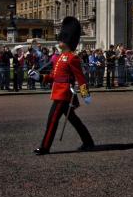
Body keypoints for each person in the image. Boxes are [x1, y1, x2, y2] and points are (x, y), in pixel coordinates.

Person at [29, 17, 94, 155]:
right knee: (74, 120)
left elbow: (80, 77)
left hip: (64, 94)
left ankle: (45, 147)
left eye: (62, 38)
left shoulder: (72, 58)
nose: (59, 40)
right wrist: (38, 77)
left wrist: (85, 94)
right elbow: (53, 76)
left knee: (52, 120)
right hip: (58, 92)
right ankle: (88, 142)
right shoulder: (59, 58)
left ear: (67, 41)